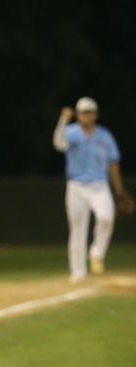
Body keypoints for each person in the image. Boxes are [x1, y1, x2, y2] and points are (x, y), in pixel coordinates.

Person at [53, 97, 135, 282]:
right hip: (76, 186)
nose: (86, 116)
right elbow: (59, 144)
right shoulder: (71, 133)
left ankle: (97, 253)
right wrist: (63, 120)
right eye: (83, 112)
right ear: (78, 114)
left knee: (106, 218)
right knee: (77, 229)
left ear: (95, 115)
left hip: (99, 185)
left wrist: (119, 189)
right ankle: (78, 272)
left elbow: (113, 163)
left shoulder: (104, 136)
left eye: (89, 112)